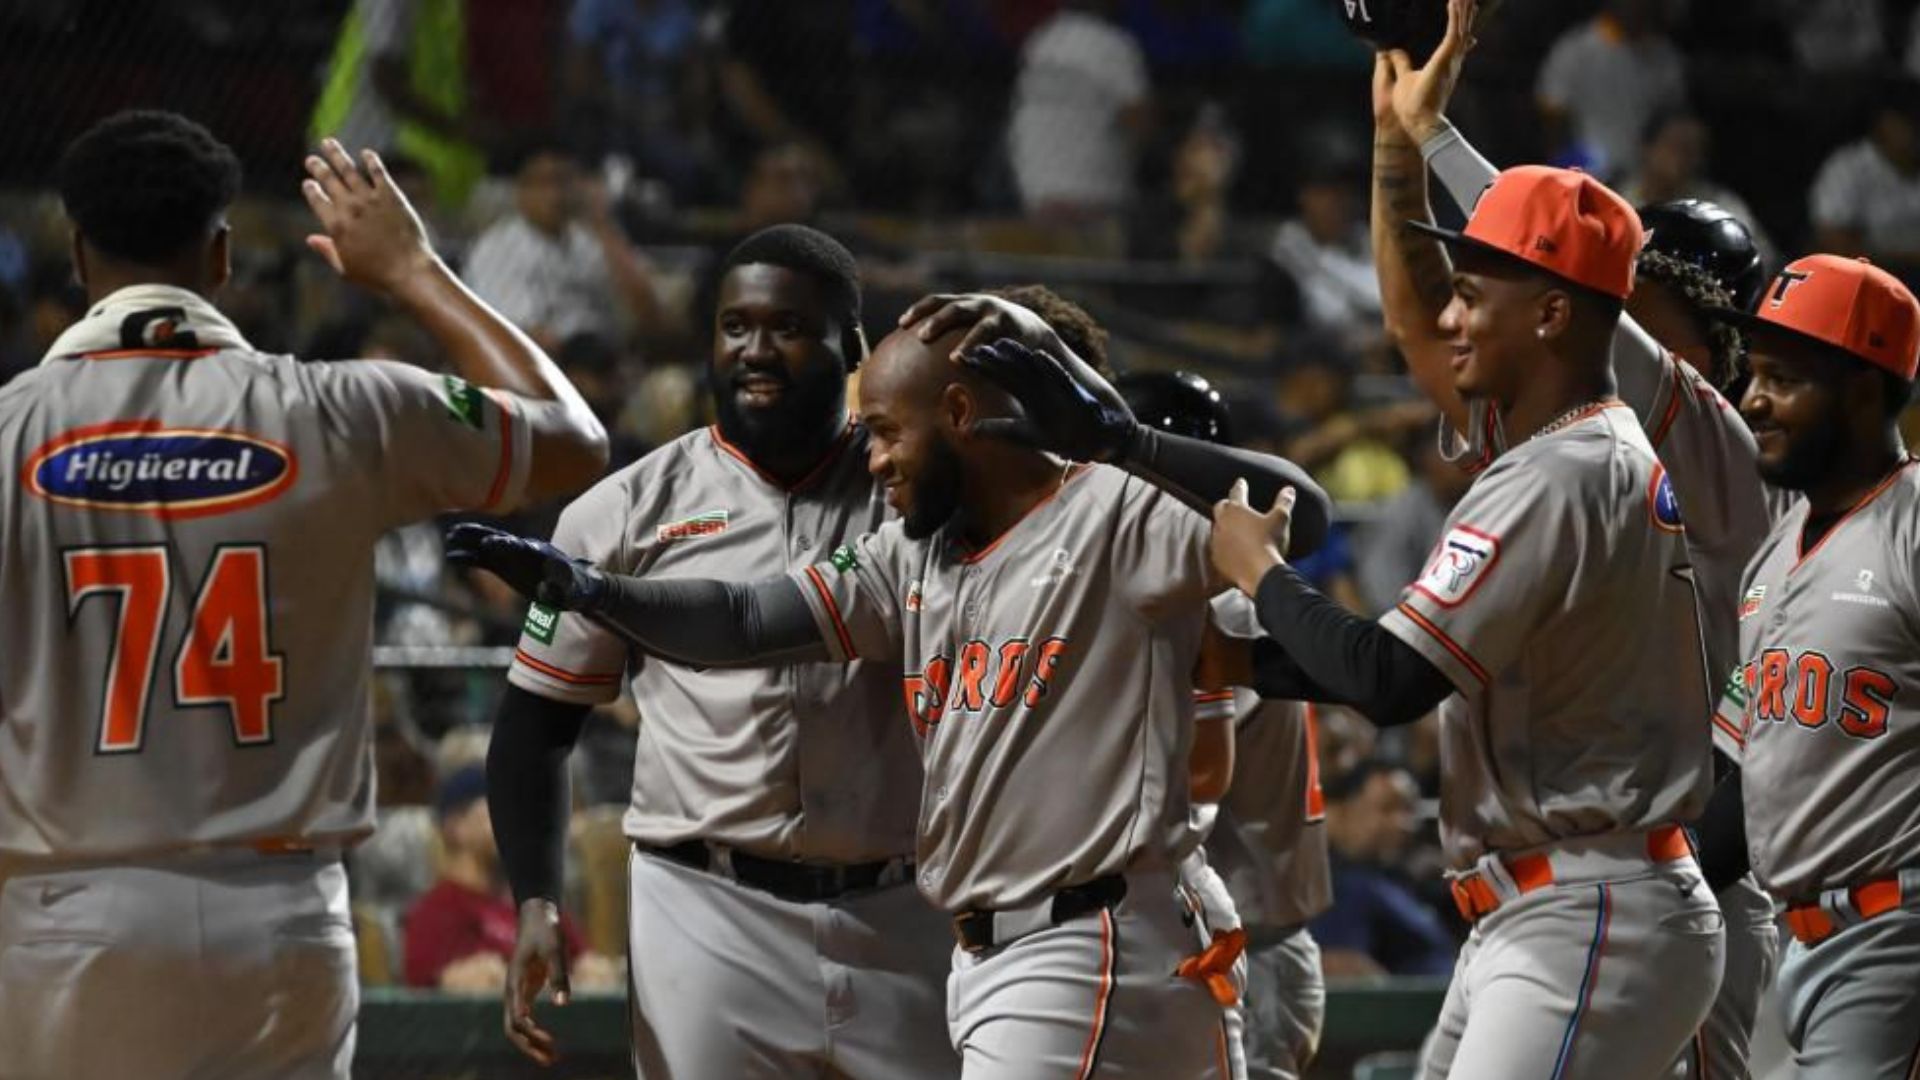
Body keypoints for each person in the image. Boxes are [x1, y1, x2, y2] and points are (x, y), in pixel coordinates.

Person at [452, 299, 1333, 1078]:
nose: (868, 461)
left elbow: (1300, 518)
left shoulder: (1107, 509)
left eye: (882, 431)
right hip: (1013, 949)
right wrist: (598, 592)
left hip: (1095, 934)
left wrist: (1122, 440)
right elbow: (744, 620)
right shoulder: (907, 554)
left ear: (958, 414)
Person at [0, 112, 606, 1079]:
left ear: (76, 253)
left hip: (66, 916)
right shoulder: (341, 406)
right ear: (223, 253)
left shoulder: (9, 431)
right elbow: (574, 438)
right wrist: (414, 271)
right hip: (281, 913)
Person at [1212, 15, 1722, 1072]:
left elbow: (1390, 680)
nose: (1451, 319)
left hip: (1591, 909)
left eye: (1475, 295)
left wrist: (1260, 575)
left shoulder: (1560, 472)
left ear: (1549, 317)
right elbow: (1410, 321)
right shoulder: (1572, 447)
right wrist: (1399, 148)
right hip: (1558, 907)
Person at [1379, 7, 1782, 1075]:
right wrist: (1406, 143)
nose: (1620, 320)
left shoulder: (1723, 453)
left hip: (1689, 873)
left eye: (1647, 309)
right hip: (1586, 881)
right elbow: (1437, 316)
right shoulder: (1572, 435)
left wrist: (1435, 146)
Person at [481, 224, 957, 1077]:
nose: (755, 351)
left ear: (851, 347)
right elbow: (536, 724)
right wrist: (536, 901)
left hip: (907, 905)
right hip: (708, 910)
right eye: (734, 327)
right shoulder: (623, 508)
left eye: (786, 328)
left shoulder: (919, 495)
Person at [1697, 255, 1920, 1080]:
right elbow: (1742, 783)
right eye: (1754, 375)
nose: (1753, 399)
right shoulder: (1773, 557)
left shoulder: (1913, 524)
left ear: (1863, 389)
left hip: (1895, 935)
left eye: (1784, 379)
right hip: (1798, 946)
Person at [1120, 370, 1336, 1080]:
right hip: (1255, 935)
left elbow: (1193, 776)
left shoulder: (1220, 595)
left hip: (1247, 944)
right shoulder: (1216, 576)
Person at [401, 765, 605, 991]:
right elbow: (423, 995)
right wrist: (453, 981)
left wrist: (592, 971)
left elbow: (585, 962)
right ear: (456, 827)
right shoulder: (436, 910)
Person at [462, 138, 663, 350]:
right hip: (542, 367)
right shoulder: (498, 248)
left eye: (564, 181)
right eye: (544, 183)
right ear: (521, 191)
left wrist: (602, 223)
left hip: (606, 362)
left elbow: (650, 317)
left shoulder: (588, 240)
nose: (556, 194)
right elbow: (514, 338)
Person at [1007, 0, 1155, 221]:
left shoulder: (1042, 41)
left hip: (1037, 196)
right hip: (1095, 201)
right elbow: (1141, 122)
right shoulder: (1112, 45)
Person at [1309, 762, 1456, 978]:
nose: (1402, 822)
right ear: (1344, 813)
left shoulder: (1400, 879)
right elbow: (1338, 967)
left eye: (1409, 810)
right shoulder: (1341, 887)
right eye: (1387, 808)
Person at [1534, 0, 1686, 180]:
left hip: (1642, 178)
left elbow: (1671, 121)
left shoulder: (1665, 57)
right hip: (1588, 174)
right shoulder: (1576, 48)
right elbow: (1552, 112)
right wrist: (1566, 170)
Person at [1808, 84, 1920, 271]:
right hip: (1868, 281)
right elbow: (1836, 247)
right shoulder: (1846, 169)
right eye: (1911, 122)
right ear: (1883, 123)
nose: (1916, 131)